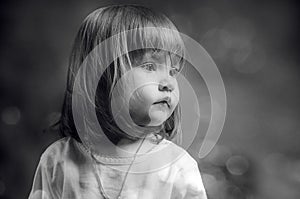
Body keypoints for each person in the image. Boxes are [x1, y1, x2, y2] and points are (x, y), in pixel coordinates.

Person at [28, 5, 208, 199]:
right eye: (149, 66)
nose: (168, 83)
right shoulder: (57, 162)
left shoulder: (178, 168)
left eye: (173, 71)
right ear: (100, 74)